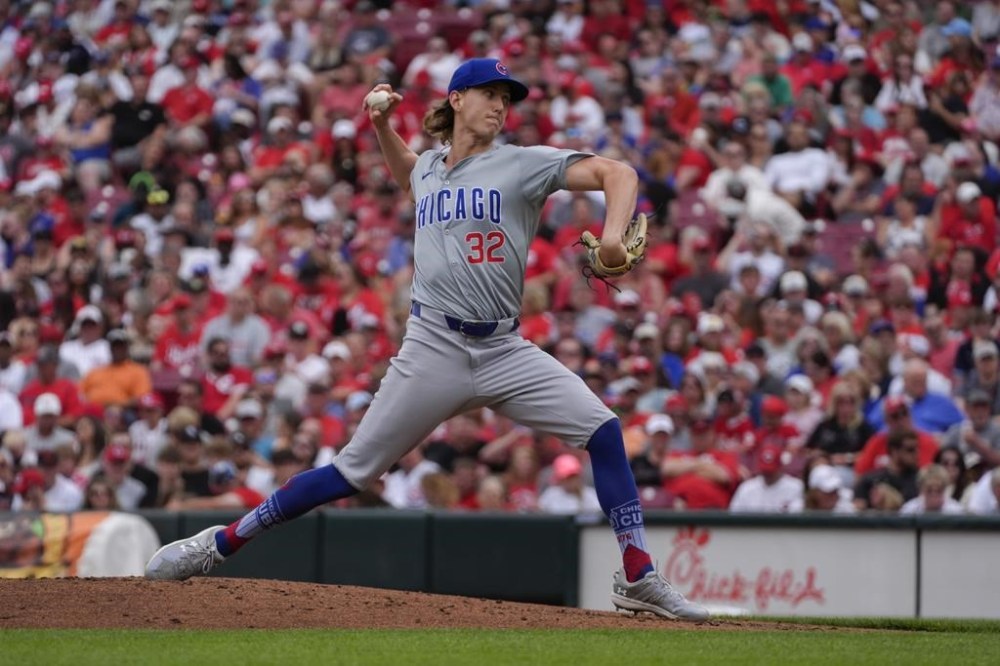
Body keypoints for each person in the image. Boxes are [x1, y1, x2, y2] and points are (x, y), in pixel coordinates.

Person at [145, 58, 708, 622]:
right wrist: (382, 128)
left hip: (504, 349)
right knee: (349, 473)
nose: (500, 105)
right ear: (457, 99)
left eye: (506, 98)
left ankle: (639, 576)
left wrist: (612, 237)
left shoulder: (522, 165)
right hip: (433, 346)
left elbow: (620, 174)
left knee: (604, 431)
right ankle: (218, 545)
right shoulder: (429, 169)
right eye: (489, 93)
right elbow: (405, 172)